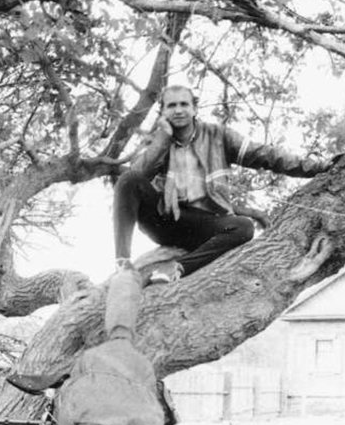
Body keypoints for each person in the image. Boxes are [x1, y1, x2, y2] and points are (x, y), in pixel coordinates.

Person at [113, 84, 333, 285]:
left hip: (207, 224)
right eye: (171, 106)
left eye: (184, 104)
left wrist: (316, 167)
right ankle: (123, 263)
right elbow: (135, 177)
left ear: (195, 108)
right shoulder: (158, 140)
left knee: (244, 227)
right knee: (128, 179)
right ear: (162, 111)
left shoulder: (218, 135)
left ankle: (178, 268)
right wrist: (163, 139)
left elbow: (266, 155)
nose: (178, 110)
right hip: (167, 220)